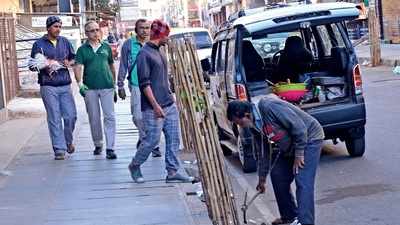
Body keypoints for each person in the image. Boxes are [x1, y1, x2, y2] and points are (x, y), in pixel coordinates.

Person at [226, 94, 325, 225]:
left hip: (309, 139)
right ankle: (289, 216)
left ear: (247, 114)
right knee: (278, 175)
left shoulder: (269, 107)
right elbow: (263, 152)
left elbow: (300, 129)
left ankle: (305, 222)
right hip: (290, 145)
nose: (241, 126)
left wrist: (299, 154)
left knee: (302, 181)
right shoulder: (254, 126)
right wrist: (262, 178)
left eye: (239, 122)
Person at [128, 20, 193, 184]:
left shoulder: (161, 51)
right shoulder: (144, 54)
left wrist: (171, 97)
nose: (168, 39)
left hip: (169, 104)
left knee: (173, 139)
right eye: (167, 36)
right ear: (160, 35)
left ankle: (172, 172)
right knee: (151, 141)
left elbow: (163, 78)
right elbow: (144, 84)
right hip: (152, 108)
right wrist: (155, 106)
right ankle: (135, 165)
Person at [30, 16, 77, 160]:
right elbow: (32, 66)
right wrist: (45, 64)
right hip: (48, 86)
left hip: (65, 84)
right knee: (54, 117)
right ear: (48, 27)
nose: (58, 29)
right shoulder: (38, 44)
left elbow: (74, 58)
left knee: (71, 116)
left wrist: (69, 62)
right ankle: (59, 149)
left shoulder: (65, 42)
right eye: (56, 26)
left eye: (60, 27)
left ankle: (68, 142)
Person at [73, 21, 117, 160]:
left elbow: (111, 65)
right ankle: (98, 143)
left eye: (97, 29)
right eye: (91, 30)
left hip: (107, 86)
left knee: (110, 117)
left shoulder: (106, 47)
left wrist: (114, 85)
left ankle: (110, 148)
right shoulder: (82, 49)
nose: (95, 32)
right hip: (90, 87)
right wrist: (80, 84)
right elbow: (78, 67)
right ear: (86, 33)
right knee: (94, 117)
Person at [117, 19, 161, 157]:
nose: (145, 30)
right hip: (136, 84)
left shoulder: (155, 43)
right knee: (138, 117)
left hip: (154, 85)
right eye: (141, 28)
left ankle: (153, 144)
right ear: (136, 30)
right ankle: (145, 138)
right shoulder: (128, 44)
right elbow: (123, 64)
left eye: (147, 28)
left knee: (154, 116)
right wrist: (120, 85)